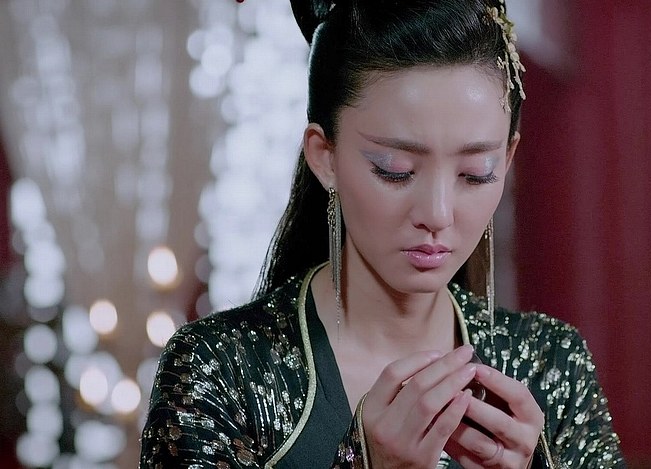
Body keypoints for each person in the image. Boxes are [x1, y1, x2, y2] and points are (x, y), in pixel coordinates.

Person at [140, 0, 625, 467]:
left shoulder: (551, 363)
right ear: (324, 156)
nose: (437, 214)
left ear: (508, 158)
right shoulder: (221, 370)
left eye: (476, 174)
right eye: (395, 170)